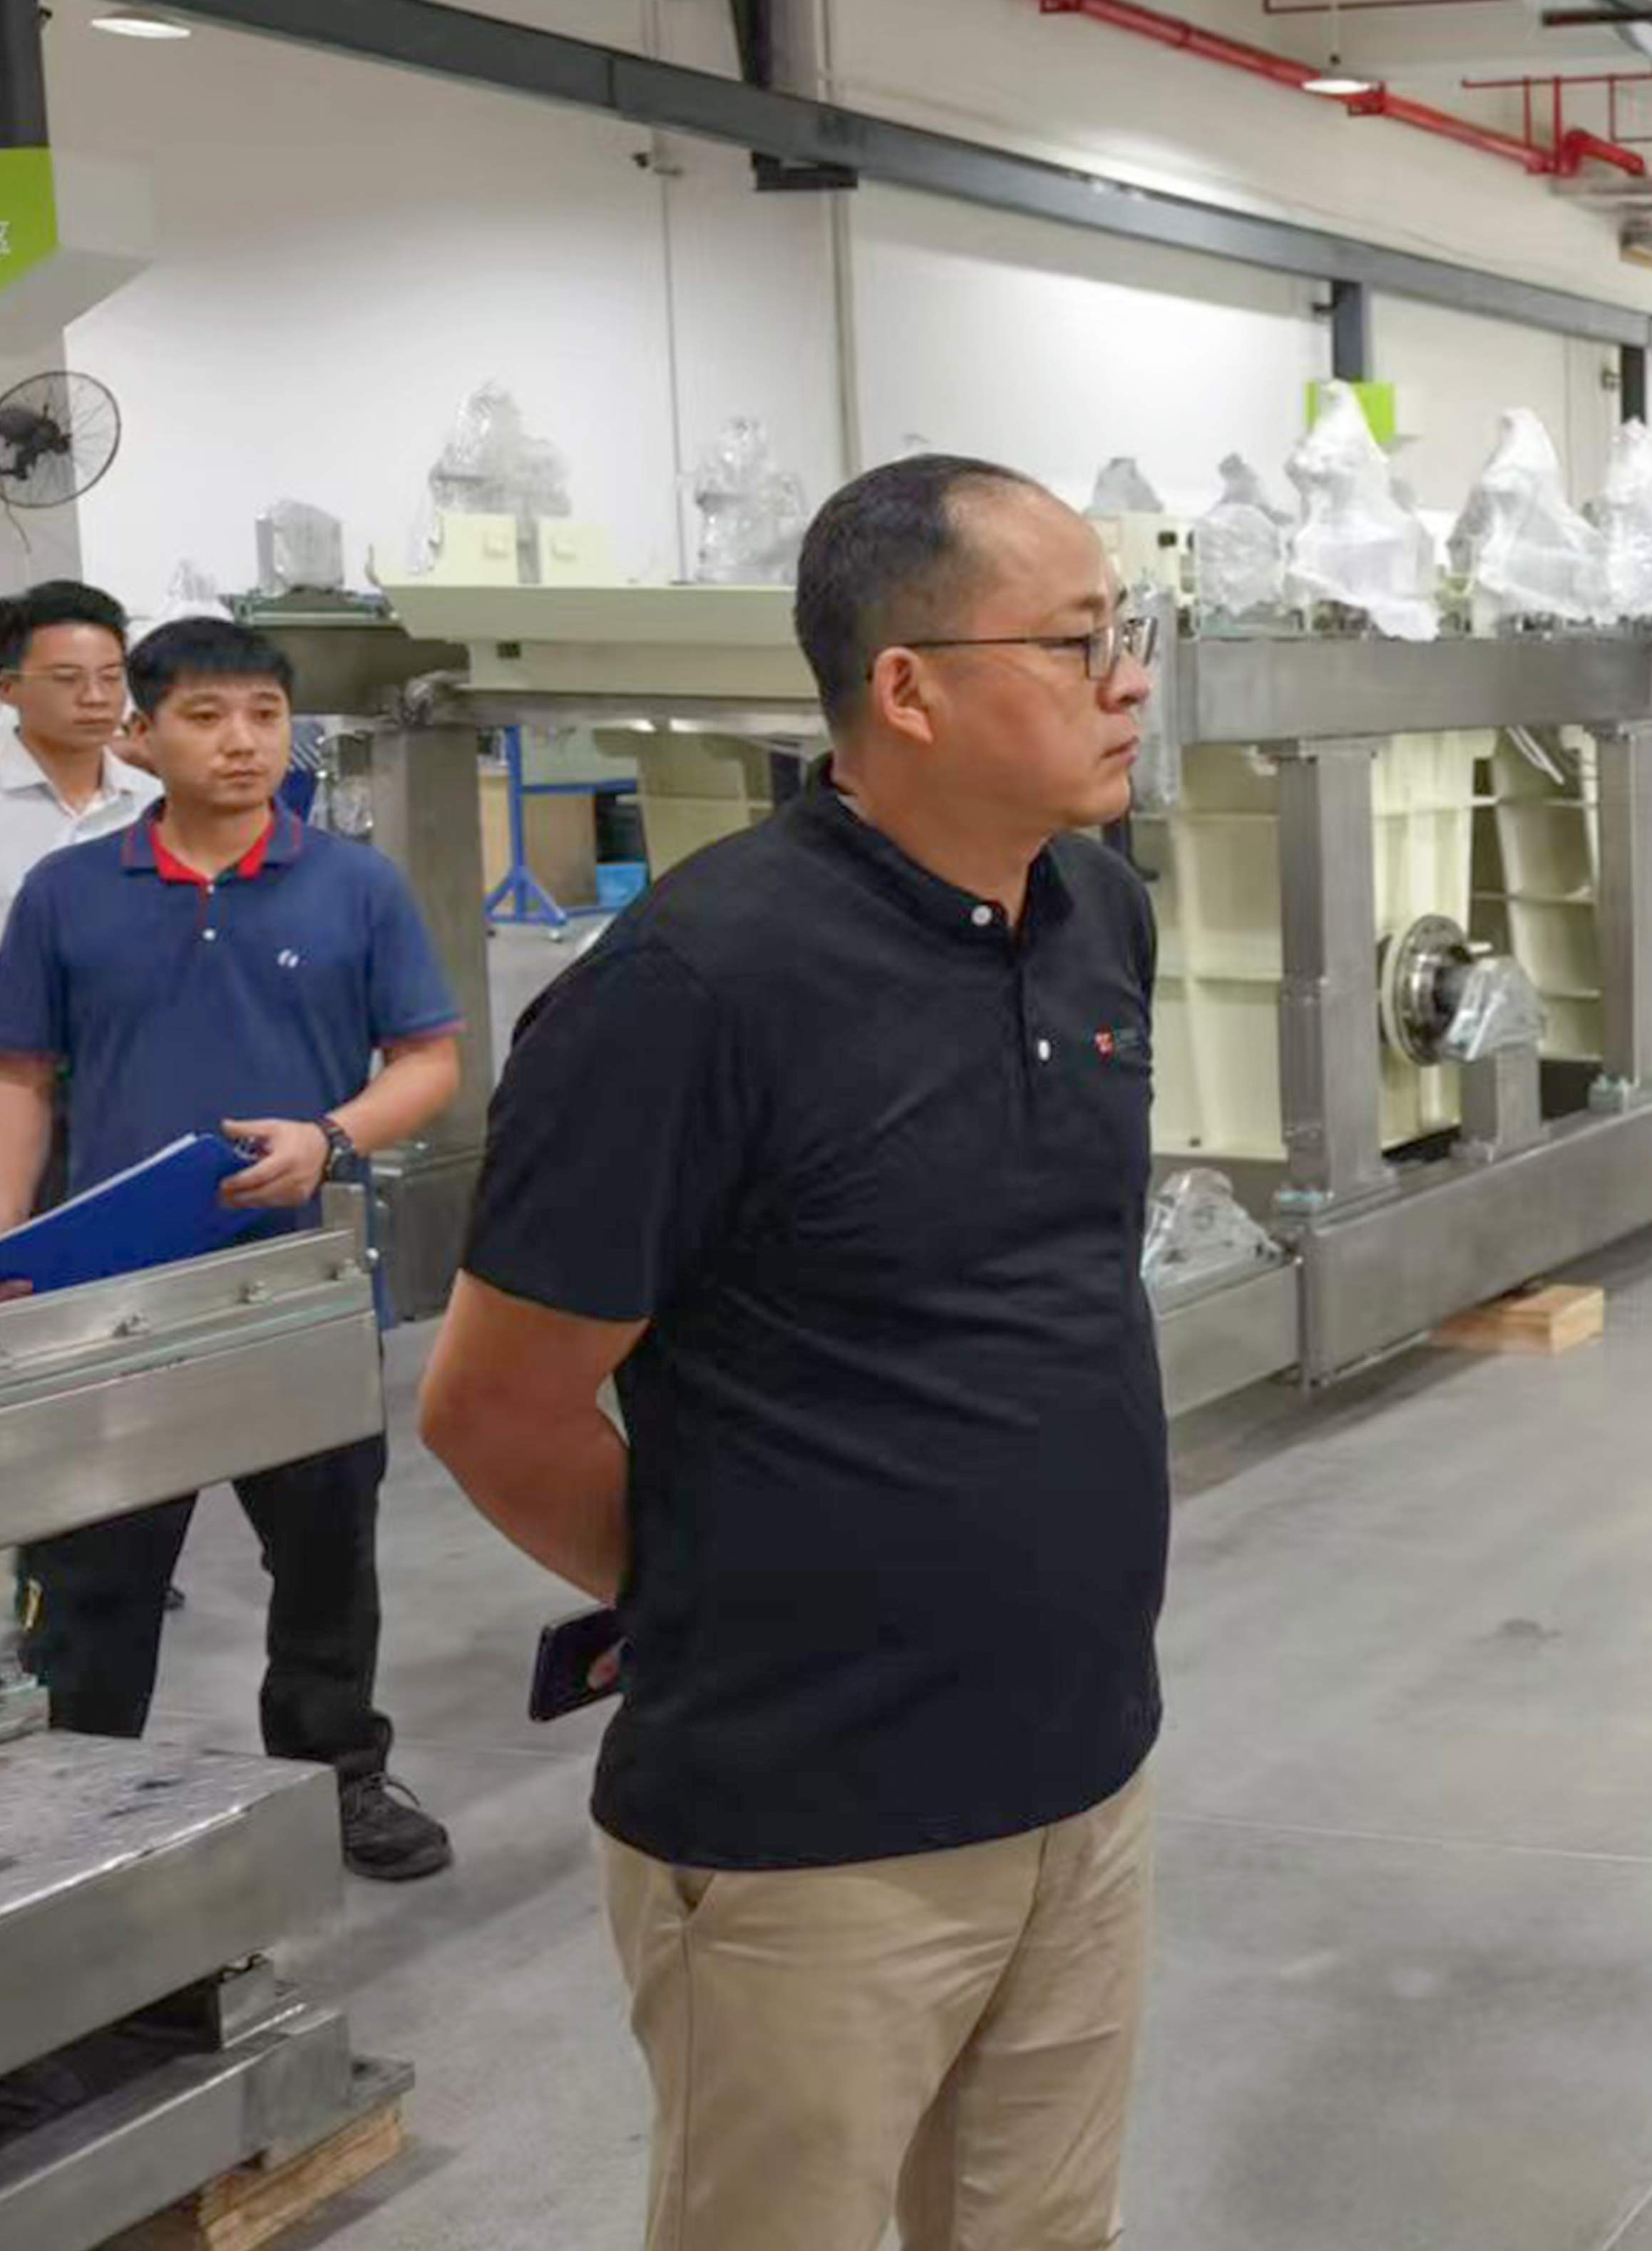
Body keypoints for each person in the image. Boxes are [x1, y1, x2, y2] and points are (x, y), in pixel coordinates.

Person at [416, 456, 1167, 2251]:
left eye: (1128, 630)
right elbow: (495, 1406)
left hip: (1082, 1772)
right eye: (1077, 642)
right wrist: (729, 1594)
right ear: (907, 688)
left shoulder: (1096, 914)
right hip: (815, 1827)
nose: (1129, 678)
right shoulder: (695, 988)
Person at [0, 616, 461, 1880]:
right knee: (95, 1572)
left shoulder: (355, 887)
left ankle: (339, 1776)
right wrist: (10, 1245)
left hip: (295, 1281)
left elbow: (427, 1060)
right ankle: (77, 1803)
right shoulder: (66, 896)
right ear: (142, 734)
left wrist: (332, 1137)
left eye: (265, 713)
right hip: (114, 1295)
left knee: (325, 1561)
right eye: (205, 717)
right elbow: (22, 1078)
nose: (242, 741)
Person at [0, 583, 162, 931]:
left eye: (111, 677)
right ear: (7, 687)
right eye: (67, 679)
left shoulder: (158, 805)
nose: (95, 697)